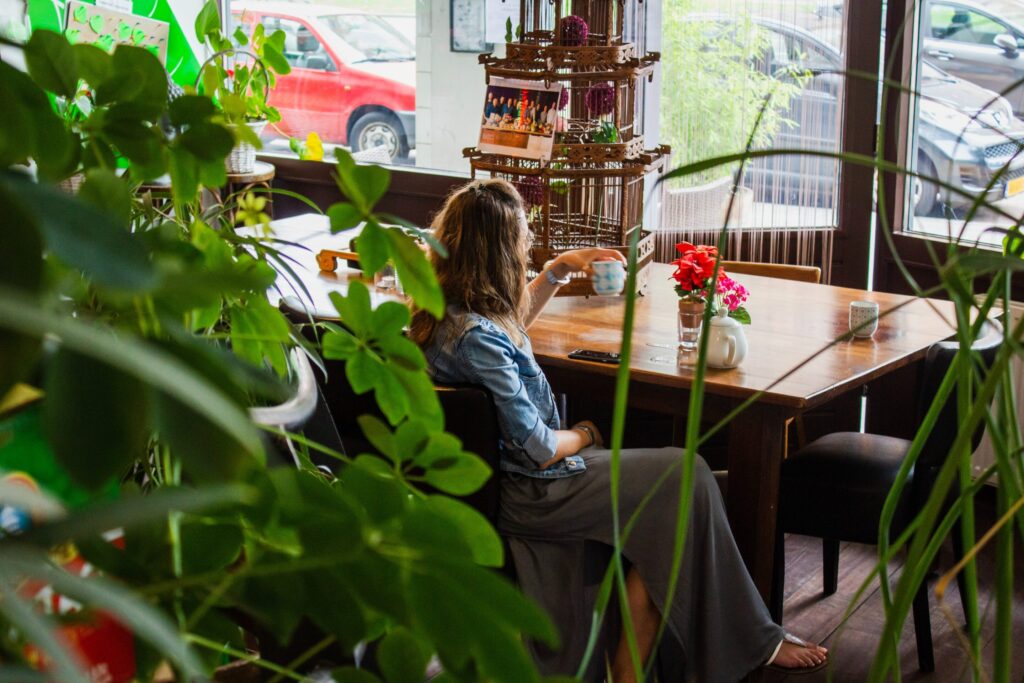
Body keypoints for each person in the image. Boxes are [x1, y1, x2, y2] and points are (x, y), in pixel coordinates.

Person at [410, 180, 829, 682]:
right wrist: (588, 433)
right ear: (496, 250)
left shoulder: (448, 315)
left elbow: (508, 327)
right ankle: (749, 641)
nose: (526, 244)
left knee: (679, 498)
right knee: (686, 475)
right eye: (521, 236)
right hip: (537, 489)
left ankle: (645, 668)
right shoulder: (478, 340)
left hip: (522, 480)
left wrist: (557, 271)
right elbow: (540, 447)